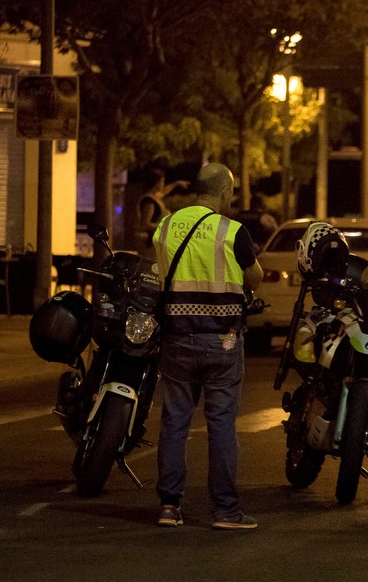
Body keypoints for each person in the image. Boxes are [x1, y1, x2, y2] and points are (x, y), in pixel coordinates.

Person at [152, 163, 263, 530]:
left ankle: (169, 506)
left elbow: (161, 272)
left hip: (176, 338)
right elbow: (255, 276)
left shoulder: (165, 227)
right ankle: (226, 511)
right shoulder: (232, 231)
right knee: (221, 425)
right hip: (223, 340)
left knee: (175, 421)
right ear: (225, 193)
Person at [135, 168, 189, 258]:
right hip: (149, 243)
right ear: (157, 183)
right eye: (162, 181)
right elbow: (145, 224)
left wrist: (177, 184)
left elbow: (164, 191)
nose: (163, 184)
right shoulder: (149, 202)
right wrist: (164, 224)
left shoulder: (155, 197)